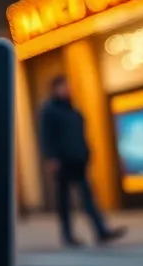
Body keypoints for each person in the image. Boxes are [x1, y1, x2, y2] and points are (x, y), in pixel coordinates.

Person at [39, 75, 126, 248]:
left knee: (88, 197)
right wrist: (51, 157)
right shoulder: (49, 110)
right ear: (56, 89)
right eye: (64, 87)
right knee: (64, 200)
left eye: (68, 86)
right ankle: (68, 235)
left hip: (78, 160)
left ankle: (101, 231)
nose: (68, 90)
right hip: (62, 161)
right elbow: (46, 137)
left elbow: (81, 134)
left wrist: (87, 152)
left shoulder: (73, 110)